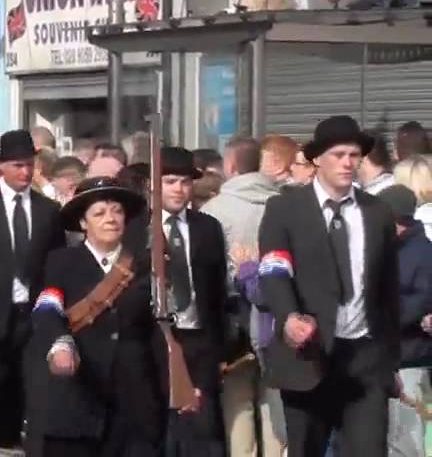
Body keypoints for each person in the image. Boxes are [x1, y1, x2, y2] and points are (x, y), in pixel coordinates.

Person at [257, 115, 400, 456]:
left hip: (365, 358)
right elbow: (274, 270)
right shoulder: (285, 209)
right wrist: (289, 316)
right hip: (309, 356)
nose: (348, 163)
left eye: (354, 155)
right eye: (339, 155)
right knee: (306, 448)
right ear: (317, 158)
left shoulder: (377, 212)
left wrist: (390, 360)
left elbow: (388, 288)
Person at [31, 176, 164, 455]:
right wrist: (60, 343)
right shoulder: (61, 262)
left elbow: (160, 330)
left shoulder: (147, 265)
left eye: (117, 211)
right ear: (83, 222)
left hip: (135, 402)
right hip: (79, 396)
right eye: (99, 213)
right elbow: (47, 307)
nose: (110, 219)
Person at [0, 130, 66, 450]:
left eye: (29, 165)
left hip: (33, 315)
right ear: (1, 167)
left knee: (34, 390)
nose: (25, 173)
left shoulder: (48, 210)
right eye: (17, 165)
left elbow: (56, 261)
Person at [201, 138, 286, 457]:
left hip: (234, 318)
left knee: (238, 407)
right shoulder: (283, 204)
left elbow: (212, 274)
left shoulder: (214, 211)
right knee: (274, 403)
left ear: (230, 166)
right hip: (278, 317)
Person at [157, 147, 228, 457]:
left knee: (203, 434)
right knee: (162, 432)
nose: (178, 189)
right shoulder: (137, 229)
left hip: (199, 339)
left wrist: (220, 348)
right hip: (157, 342)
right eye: (170, 181)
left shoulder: (207, 227)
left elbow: (217, 291)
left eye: (185, 182)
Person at [375, 185, 432, 457]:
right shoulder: (390, 249)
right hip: (388, 358)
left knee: (406, 440)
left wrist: (379, 316)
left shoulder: (422, 253)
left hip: (411, 359)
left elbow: (421, 301)